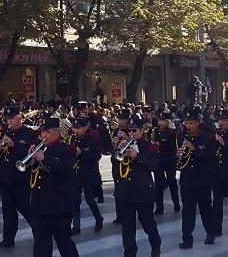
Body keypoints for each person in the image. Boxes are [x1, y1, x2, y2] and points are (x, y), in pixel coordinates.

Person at [27, 116, 80, 257]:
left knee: (65, 244)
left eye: (48, 132)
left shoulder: (66, 149)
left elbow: (66, 170)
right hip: (39, 206)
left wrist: (44, 159)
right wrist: (29, 158)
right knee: (40, 247)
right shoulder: (39, 148)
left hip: (59, 207)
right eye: (42, 131)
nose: (43, 135)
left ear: (56, 133)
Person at [113, 116, 161, 257]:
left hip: (143, 191)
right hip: (125, 191)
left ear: (141, 131)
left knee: (147, 223)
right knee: (127, 227)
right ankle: (130, 253)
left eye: (135, 130)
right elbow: (115, 161)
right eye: (130, 130)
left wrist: (137, 156)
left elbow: (154, 165)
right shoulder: (125, 143)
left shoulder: (149, 145)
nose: (132, 133)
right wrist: (117, 148)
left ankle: (156, 245)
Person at [0, 106, 38, 248]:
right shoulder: (6, 131)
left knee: (25, 207)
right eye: (7, 119)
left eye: (12, 118)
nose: (9, 121)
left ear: (19, 119)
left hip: (20, 178)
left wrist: (13, 145)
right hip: (5, 177)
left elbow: (29, 155)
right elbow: (3, 155)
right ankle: (8, 239)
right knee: (7, 209)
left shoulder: (29, 133)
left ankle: (40, 231)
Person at [177, 108, 218, 249]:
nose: (188, 126)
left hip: (202, 180)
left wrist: (195, 149)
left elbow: (211, 156)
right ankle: (187, 239)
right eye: (186, 123)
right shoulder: (182, 136)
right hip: (187, 180)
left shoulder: (207, 137)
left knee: (206, 208)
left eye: (191, 123)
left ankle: (211, 233)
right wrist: (178, 154)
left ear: (198, 123)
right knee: (187, 211)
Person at [70, 117, 103, 234]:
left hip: (88, 173)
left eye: (78, 128)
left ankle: (99, 218)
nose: (76, 130)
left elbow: (97, 155)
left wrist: (82, 153)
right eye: (75, 128)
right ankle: (76, 226)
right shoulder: (74, 138)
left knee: (89, 199)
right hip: (76, 173)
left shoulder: (92, 138)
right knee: (75, 200)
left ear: (85, 127)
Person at [152, 110, 180, 214]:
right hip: (158, 160)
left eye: (163, 120)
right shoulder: (155, 131)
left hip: (169, 160)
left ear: (167, 122)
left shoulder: (172, 132)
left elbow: (172, 146)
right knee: (158, 185)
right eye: (160, 120)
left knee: (172, 183)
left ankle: (176, 204)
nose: (160, 122)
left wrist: (160, 145)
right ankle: (159, 207)